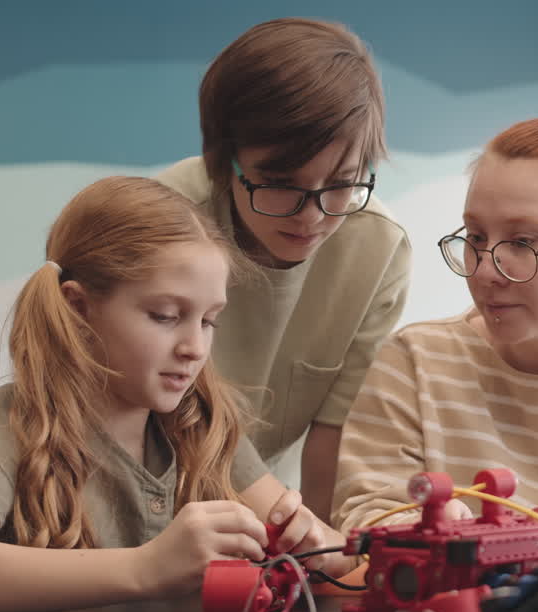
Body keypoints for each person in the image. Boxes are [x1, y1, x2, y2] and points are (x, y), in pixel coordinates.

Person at [0, 177, 354, 612]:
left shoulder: (205, 424)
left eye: (208, 321)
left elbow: (336, 555)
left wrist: (316, 547)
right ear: (79, 309)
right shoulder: (15, 421)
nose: (195, 347)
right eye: (165, 315)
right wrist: (146, 567)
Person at [331, 118, 538, 533]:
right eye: (476, 236)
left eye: (522, 242)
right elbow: (365, 519)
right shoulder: (415, 363)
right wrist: (417, 530)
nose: (485, 270)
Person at [157, 18, 411, 526]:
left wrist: (317, 556)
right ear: (222, 161)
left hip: (265, 508)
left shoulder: (380, 249)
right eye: (279, 182)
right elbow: (159, 416)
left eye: (342, 182)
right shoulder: (164, 221)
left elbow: (331, 435)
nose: (312, 215)